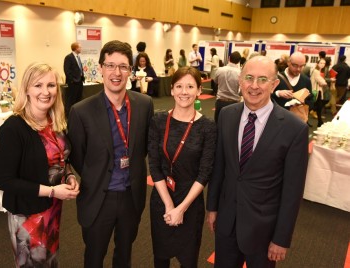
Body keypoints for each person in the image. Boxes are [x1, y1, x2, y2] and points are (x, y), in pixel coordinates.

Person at [207, 56, 309, 267]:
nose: (254, 86)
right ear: (240, 81)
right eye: (249, 78)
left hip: (264, 231)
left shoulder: (294, 129)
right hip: (227, 223)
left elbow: (293, 190)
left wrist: (281, 238)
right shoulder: (226, 115)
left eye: (263, 79)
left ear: (274, 84)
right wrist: (213, 207)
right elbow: (220, 167)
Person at [67, 40, 154, 268]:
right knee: (94, 257)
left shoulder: (144, 105)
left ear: (130, 71)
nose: (117, 73)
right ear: (101, 68)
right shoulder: (81, 111)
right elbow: (77, 156)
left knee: (124, 255)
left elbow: (143, 147)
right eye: (110, 65)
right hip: (98, 196)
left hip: (130, 195)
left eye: (123, 67)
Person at [0, 62, 80, 267]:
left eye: (51, 85)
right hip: (27, 213)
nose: (45, 92)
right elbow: (4, 181)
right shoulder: (13, 128)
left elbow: (61, 158)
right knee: (32, 263)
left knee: (49, 260)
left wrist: (68, 175)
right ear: (26, 89)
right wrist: (52, 191)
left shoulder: (55, 122)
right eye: (38, 85)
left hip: (52, 208)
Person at [148, 66, 216, 267]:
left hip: (191, 202)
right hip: (162, 199)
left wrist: (181, 209)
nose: (184, 92)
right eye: (179, 86)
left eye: (190, 86)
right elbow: (154, 165)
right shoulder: (158, 121)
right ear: (171, 89)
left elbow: (205, 173)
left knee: (188, 260)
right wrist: (169, 206)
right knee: (160, 258)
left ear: (199, 91)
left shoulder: (208, 127)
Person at [214, 51, 241, 123]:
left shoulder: (219, 70)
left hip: (221, 101)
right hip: (234, 102)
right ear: (238, 61)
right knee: (232, 125)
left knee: (217, 124)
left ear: (229, 58)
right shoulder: (240, 73)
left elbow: (215, 82)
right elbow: (241, 90)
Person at [63, 42, 85, 117]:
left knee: (78, 99)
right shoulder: (69, 57)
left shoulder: (78, 57)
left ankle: (77, 115)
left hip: (80, 81)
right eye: (80, 47)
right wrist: (72, 80)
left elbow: (79, 69)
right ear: (76, 48)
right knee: (71, 100)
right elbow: (67, 70)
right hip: (73, 83)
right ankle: (69, 116)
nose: (81, 48)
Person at [310, 58, 328, 127]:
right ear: (318, 63)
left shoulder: (317, 71)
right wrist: (324, 82)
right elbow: (322, 82)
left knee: (318, 106)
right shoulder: (316, 71)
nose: (322, 65)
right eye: (321, 63)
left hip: (317, 91)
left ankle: (320, 121)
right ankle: (319, 121)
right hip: (316, 91)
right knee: (314, 106)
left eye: (324, 63)